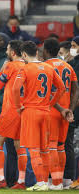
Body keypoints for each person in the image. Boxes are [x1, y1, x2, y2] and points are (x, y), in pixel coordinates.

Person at [12, 41, 65, 191]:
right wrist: (50, 103)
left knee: (34, 149)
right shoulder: (49, 67)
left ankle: (41, 183)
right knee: (45, 149)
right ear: (37, 52)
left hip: (31, 111)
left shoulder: (25, 68)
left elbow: (16, 89)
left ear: (23, 54)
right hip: (45, 112)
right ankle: (46, 183)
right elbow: (61, 88)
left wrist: (18, 107)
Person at [0, 40, 27, 189]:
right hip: (24, 110)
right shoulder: (27, 66)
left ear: (13, 52)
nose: (7, 52)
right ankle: (21, 182)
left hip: (10, 110)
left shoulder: (10, 65)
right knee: (19, 146)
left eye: (8, 50)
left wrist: (2, 69)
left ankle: (0, 179)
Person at [43, 38, 78, 190]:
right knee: (62, 147)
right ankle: (66, 180)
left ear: (45, 51)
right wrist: (69, 108)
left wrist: (60, 108)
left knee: (51, 146)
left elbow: (48, 92)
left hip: (52, 110)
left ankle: (55, 182)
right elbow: (76, 89)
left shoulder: (45, 67)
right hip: (66, 112)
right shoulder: (68, 66)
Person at [67, 36, 79, 189]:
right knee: (75, 146)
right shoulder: (73, 63)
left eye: (74, 45)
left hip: (75, 108)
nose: (72, 48)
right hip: (73, 107)